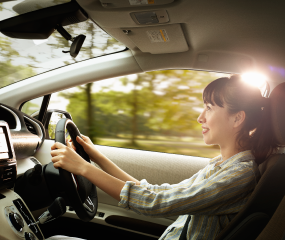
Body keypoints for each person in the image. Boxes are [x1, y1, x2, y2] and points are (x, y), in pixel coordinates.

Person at [50, 74, 279, 239]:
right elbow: (157, 192)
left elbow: (157, 203)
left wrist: (83, 168)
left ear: (238, 118)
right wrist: (95, 156)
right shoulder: (220, 165)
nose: (200, 117)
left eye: (209, 108)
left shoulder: (239, 176)